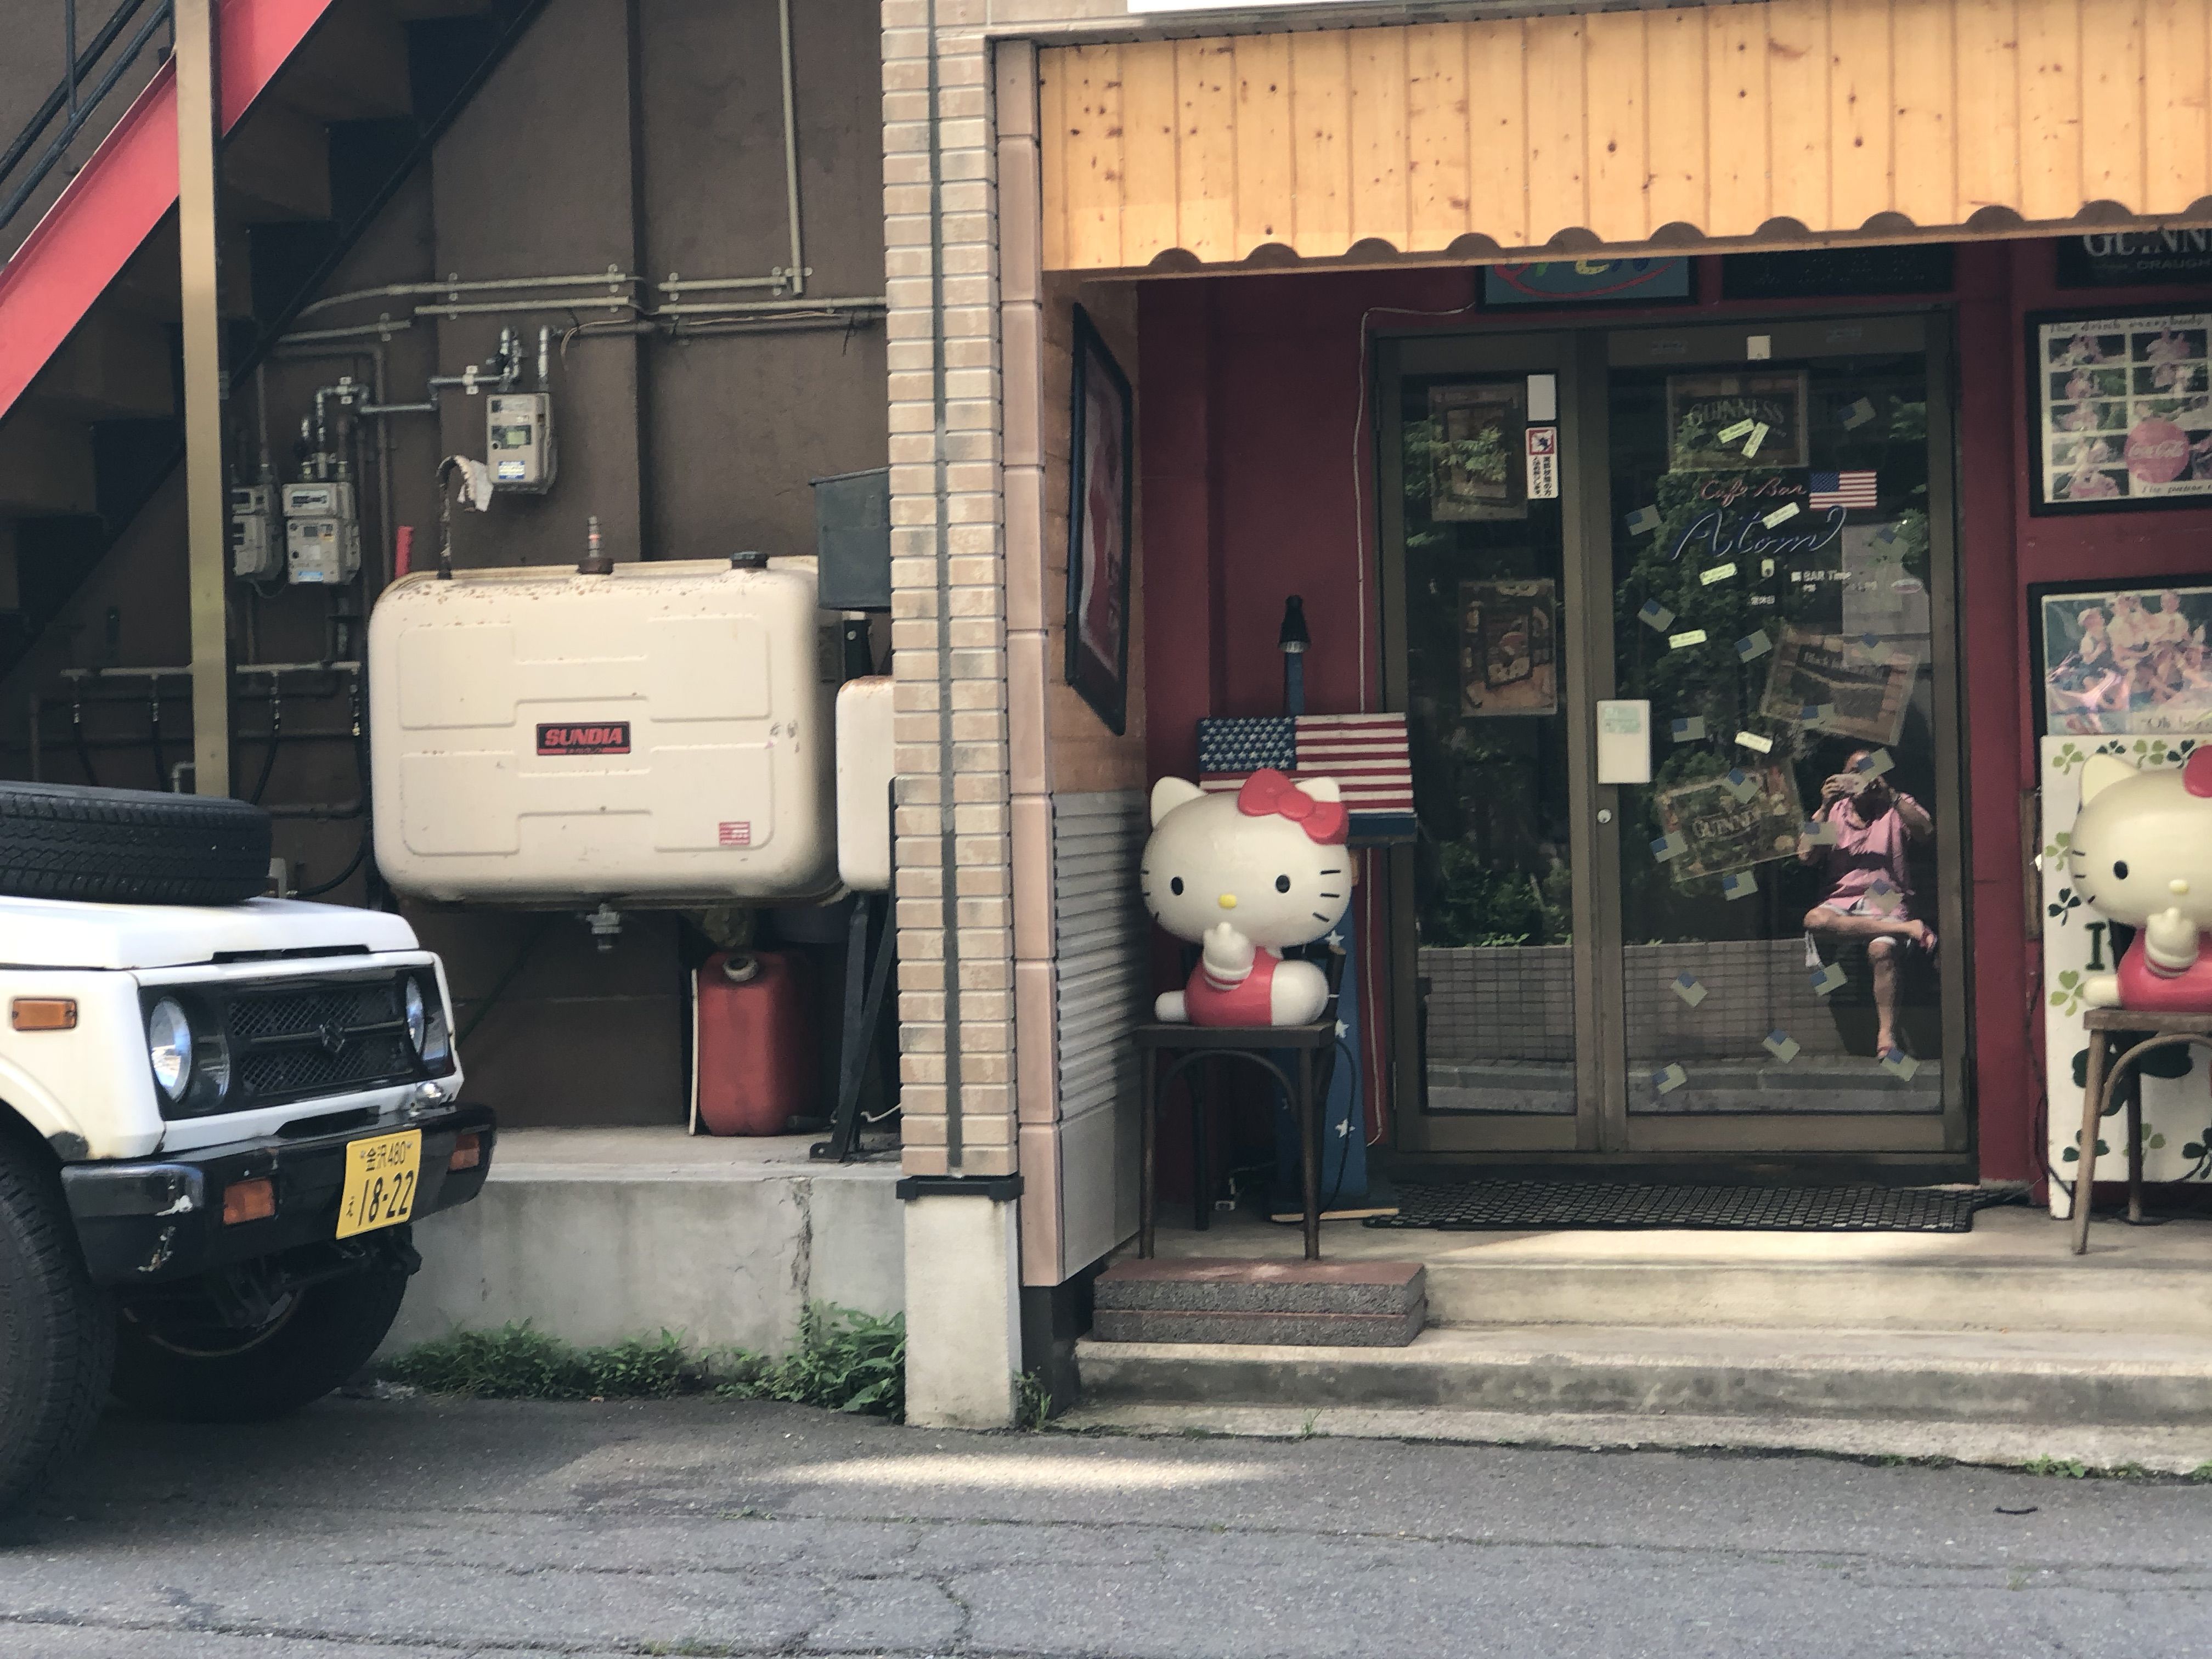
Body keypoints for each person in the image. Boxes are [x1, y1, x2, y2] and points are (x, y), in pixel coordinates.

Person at [1799, 751, 1934, 1060]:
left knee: (1881, 950)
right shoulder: (1835, 812)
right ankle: (1906, 929)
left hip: (1884, 894)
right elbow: (1806, 857)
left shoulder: (1895, 805)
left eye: (1867, 771)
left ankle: (1886, 1034)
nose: (1860, 778)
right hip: (1842, 896)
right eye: (1853, 771)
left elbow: (1926, 833)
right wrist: (1824, 806)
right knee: (1814, 920)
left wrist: (1892, 795)